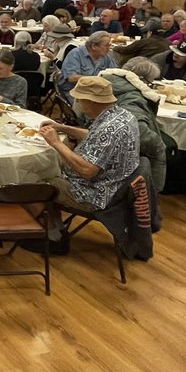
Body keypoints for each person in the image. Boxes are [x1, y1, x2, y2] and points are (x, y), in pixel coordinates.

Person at [37, 75, 140, 254]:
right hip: (114, 186)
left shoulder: (109, 130)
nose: (78, 103)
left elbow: (87, 171)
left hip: (95, 193)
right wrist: (62, 128)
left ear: (91, 102)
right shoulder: (121, 116)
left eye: (80, 100)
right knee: (48, 165)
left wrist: (56, 142)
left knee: (35, 179)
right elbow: (94, 136)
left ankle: (54, 238)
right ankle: (58, 226)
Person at [99, 57, 169, 193]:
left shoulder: (107, 81)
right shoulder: (132, 97)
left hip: (106, 144)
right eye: (150, 82)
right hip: (120, 156)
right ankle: (151, 193)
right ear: (142, 80)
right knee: (165, 144)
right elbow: (140, 132)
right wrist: (159, 145)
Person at [58, 32, 116, 99]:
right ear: (94, 46)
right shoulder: (76, 54)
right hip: (75, 91)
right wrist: (97, 80)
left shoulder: (105, 56)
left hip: (96, 91)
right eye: (107, 45)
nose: (109, 48)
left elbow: (115, 72)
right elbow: (72, 78)